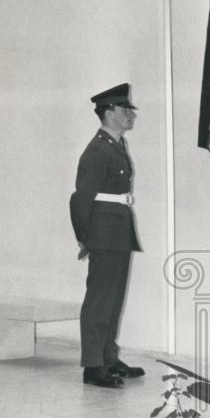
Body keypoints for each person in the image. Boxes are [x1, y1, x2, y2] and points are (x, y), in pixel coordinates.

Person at [69, 83, 145, 388]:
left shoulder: (117, 145)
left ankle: (108, 357)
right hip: (103, 231)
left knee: (113, 299)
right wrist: (84, 237)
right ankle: (93, 365)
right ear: (108, 112)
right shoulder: (98, 149)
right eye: (124, 109)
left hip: (118, 229)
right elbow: (80, 198)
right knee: (100, 299)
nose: (130, 115)